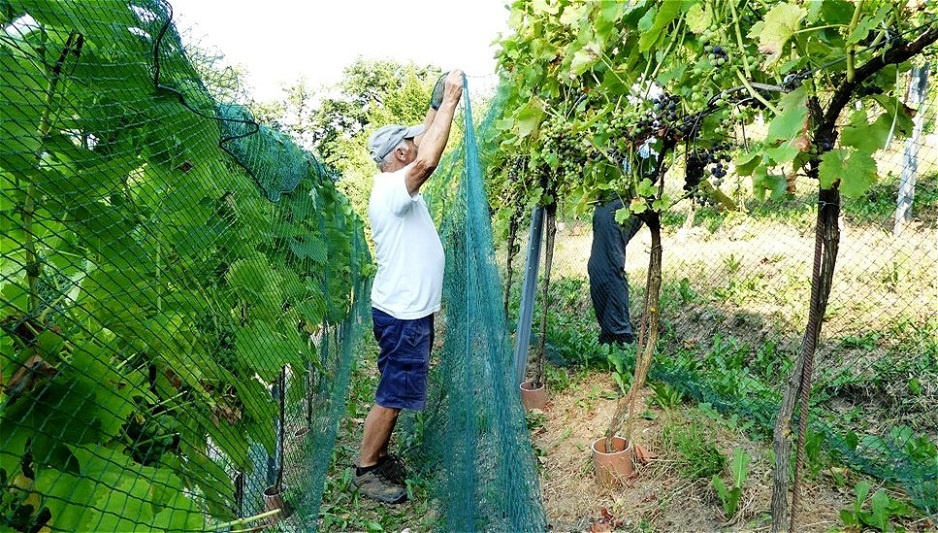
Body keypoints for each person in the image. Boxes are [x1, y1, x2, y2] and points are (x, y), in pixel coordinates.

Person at [352, 70, 464, 504]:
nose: (417, 142)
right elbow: (428, 159)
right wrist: (452, 102)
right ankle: (365, 469)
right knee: (392, 393)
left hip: (405, 310)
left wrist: (438, 100)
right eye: (410, 142)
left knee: (395, 389)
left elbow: (426, 137)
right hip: (403, 314)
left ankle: (377, 458)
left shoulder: (393, 183)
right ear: (400, 153)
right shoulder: (393, 189)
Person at [587, 198, 643, 346]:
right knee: (599, 266)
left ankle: (619, 336)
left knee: (610, 267)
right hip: (610, 197)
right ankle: (610, 333)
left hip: (622, 199)